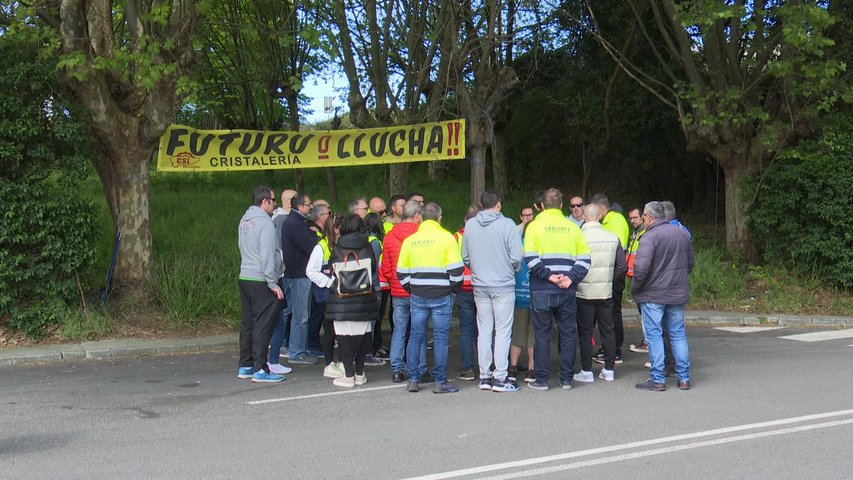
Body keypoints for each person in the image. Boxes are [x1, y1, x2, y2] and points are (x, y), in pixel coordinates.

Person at [524, 188, 591, 391]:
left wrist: (549, 276)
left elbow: (530, 258)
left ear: (542, 205)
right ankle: (566, 379)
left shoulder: (534, 227)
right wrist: (569, 278)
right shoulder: (573, 228)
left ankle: (543, 380)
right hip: (566, 291)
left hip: (542, 290)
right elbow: (585, 260)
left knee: (542, 335)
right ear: (562, 206)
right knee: (568, 333)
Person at [397, 202, 464, 394]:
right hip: (442, 294)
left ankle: (413, 379)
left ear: (420, 217)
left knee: (416, 336)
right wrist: (453, 289)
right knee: (441, 337)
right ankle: (440, 381)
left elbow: (401, 272)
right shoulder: (446, 238)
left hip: (418, 294)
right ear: (439, 218)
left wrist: (412, 288)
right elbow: (457, 271)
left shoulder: (411, 240)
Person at [462, 188, 524, 392]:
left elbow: (465, 256)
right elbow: (516, 257)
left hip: (480, 285)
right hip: (503, 284)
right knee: (503, 331)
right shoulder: (507, 225)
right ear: (498, 203)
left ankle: (485, 376)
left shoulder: (470, 225)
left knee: (484, 330)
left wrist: (477, 270)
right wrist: (511, 270)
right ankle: (500, 377)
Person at [632, 201, 694, 391]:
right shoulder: (682, 234)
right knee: (677, 334)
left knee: (654, 335)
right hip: (676, 292)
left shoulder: (649, 237)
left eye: (643, 215)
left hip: (653, 294)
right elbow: (690, 263)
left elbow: (640, 269)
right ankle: (684, 378)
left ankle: (658, 378)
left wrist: (636, 289)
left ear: (649, 218)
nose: (642, 218)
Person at [237, 186, 286, 383]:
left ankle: (246, 365)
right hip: (261, 278)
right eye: (273, 200)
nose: (275, 205)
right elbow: (267, 255)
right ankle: (261, 369)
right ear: (264, 201)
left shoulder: (244, 220)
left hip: (245, 276)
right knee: (263, 325)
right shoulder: (265, 224)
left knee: (248, 322)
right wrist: (273, 282)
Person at [324, 214, 380, 387]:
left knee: (344, 337)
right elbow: (373, 269)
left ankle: (348, 375)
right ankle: (360, 373)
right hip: (364, 298)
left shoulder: (338, 247)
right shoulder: (367, 246)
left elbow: (331, 268)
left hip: (342, 300)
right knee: (362, 337)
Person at [574, 203, 627, 384]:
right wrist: (609, 280)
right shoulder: (613, 238)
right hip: (606, 292)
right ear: (599, 216)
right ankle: (609, 369)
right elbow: (622, 266)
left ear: (584, 216)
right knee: (608, 330)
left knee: (585, 331)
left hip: (583, 292)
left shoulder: (578, 237)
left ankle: (587, 370)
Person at [379, 200, 426, 383]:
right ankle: (419, 368)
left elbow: (387, 266)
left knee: (399, 330)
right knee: (418, 331)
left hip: (398, 291)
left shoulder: (390, 236)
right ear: (416, 216)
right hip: (418, 289)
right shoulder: (421, 235)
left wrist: (394, 282)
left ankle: (396, 369)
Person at [305, 212, 346, 379]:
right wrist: (330, 283)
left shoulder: (342, 245)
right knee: (329, 328)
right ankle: (329, 363)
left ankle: (342, 361)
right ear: (336, 229)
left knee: (341, 328)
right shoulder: (321, 247)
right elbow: (310, 271)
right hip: (327, 294)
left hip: (341, 293)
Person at [590, 193, 629, 364]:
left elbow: (615, 250)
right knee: (609, 314)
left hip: (613, 274)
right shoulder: (609, 220)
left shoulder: (615, 221)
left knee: (613, 314)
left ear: (601, 209)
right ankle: (610, 349)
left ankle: (615, 351)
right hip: (608, 274)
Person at [281, 192, 320, 365]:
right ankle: (297, 352)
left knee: (300, 312)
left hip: (297, 273)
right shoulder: (295, 224)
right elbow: (310, 245)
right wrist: (317, 236)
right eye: (308, 204)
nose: (311, 207)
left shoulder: (296, 222)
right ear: (300, 207)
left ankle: (298, 349)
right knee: (301, 314)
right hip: (299, 275)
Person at [268, 188, 297, 371]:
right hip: (284, 273)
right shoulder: (281, 220)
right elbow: (280, 248)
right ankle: (283, 344)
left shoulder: (279, 218)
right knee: (286, 309)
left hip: (284, 271)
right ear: (290, 203)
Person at [452, 205, 481, 382]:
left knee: (467, 329)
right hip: (483, 286)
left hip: (463, 287)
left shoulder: (457, 236)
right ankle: (489, 367)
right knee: (486, 330)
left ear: (464, 219)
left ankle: (468, 368)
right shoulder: (486, 234)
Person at [509, 215, 535, 384]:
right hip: (535, 297)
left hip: (517, 297)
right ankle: (532, 369)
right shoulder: (538, 248)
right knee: (533, 334)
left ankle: (512, 368)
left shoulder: (516, 247)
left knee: (517, 333)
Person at [305, 204, 332, 358]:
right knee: (317, 314)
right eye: (328, 212)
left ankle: (317, 344)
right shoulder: (316, 237)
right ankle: (313, 344)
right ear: (321, 216)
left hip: (324, 282)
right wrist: (329, 282)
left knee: (322, 316)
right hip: (321, 284)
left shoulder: (320, 234)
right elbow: (311, 269)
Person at [363, 212, 388, 366]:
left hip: (365, 284)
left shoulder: (364, 238)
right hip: (374, 285)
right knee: (371, 321)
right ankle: (368, 353)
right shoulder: (375, 242)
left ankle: (364, 352)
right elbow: (374, 267)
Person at [626, 207, 649, 354]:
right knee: (643, 312)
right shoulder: (636, 233)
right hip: (635, 277)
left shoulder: (645, 233)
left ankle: (648, 342)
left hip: (642, 279)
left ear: (642, 217)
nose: (632, 221)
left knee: (646, 312)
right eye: (631, 218)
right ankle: (647, 341)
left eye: (635, 217)